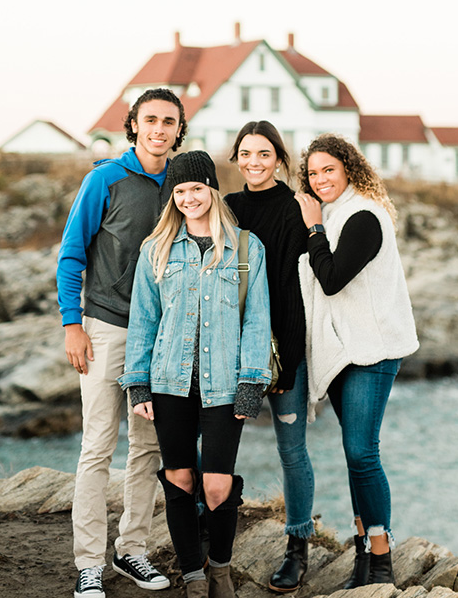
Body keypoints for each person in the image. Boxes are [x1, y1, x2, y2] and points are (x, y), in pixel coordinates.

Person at [119, 150, 272, 598]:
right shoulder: (156, 249)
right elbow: (143, 320)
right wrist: (137, 384)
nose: (189, 198)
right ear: (173, 196)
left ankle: (220, 571)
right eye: (181, 191)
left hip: (225, 385)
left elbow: (257, 319)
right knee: (180, 480)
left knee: (217, 486)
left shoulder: (246, 247)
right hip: (169, 383)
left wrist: (251, 383)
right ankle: (193, 576)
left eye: (197, 189)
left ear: (212, 190)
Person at [57, 88, 187, 598]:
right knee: (97, 447)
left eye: (169, 121)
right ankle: (88, 563)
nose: (159, 129)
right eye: (150, 120)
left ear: (179, 129)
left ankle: (132, 549)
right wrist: (73, 324)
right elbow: (72, 254)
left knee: (147, 448)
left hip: (161, 336)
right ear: (134, 125)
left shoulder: (182, 183)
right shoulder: (104, 179)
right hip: (106, 329)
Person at [294, 133, 419, 588]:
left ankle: (381, 557)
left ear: (348, 169)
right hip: (343, 349)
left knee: (362, 451)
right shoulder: (333, 214)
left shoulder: (363, 216)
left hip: (372, 349)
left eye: (329, 169)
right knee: (355, 454)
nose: (320, 179)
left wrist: (313, 228)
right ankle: (364, 552)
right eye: (313, 173)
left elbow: (331, 279)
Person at [224, 121, 315, 592]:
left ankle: (297, 547)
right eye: (246, 153)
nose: (254, 162)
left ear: (279, 158)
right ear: (236, 158)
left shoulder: (296, 206)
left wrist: (291, 358)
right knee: (217, 444)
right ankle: (210, 531)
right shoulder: (227, 207)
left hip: (282, 348)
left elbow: (296, 286)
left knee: (291, 449)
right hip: (229, 349)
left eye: (264, 154)